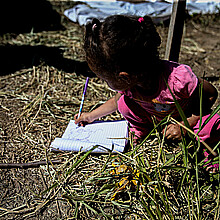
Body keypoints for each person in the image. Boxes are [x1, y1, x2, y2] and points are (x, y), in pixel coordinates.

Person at [74, 15, 220, 170]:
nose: (105, 83)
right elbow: (116, 102)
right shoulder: (131, 86)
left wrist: (186, 125)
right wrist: (90, 116)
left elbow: (211, 93)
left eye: (105, 79)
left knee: (213, 124)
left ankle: (209, 156)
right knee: (124, 104)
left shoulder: (177, 79)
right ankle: (143, 131)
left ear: (125, 76)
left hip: (187, 118)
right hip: (160, 122)